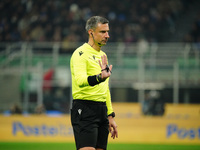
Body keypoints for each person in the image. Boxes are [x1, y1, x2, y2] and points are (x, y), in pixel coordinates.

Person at [70, 16, 118, 150]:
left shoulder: (103, 56)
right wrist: (99, 77)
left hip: (102, 110)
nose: (107, 35)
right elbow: (80, 80)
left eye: (107, 32)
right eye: (103, 32)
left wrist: (110, 116)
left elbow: (105, 89)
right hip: (85, 108)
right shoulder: (80, 54)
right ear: (91, 32)